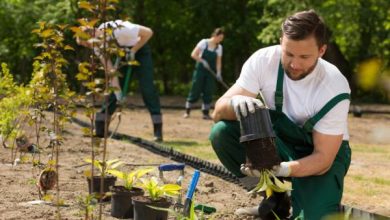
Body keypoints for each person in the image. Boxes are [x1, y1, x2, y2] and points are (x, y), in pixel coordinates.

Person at [209, 10, 351, 219]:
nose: (294, 64)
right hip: (281, 142)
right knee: (221, 134)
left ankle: (308, 199)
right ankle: (272, 197)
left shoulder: (334, 86)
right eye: (288, 53)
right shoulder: (263, 60)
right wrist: (236, 102)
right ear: (280, 43)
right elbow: (218, 113)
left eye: (304, 57)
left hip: (323, 154)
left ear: (321, 50)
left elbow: (323, 159)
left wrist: (283, 169)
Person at [76, 20, 163, 141]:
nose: (91, 46)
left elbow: (148, 32)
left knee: (147, 88)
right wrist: (118, 95)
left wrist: (133, 50)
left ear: (94, 33)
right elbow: (111, 71)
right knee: (113, 89)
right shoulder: (98, 46)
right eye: (87, 46)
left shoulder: (119, 28)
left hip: (140, 49)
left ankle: (157, 130)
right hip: (122, 52)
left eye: (88, 43)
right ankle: (101, 127)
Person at [183, 28, 224, 120]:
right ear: (215, 36)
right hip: (200, 70)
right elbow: (193, 54)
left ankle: (205, 113)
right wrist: (202, 61)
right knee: (195, 88)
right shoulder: (204, 43)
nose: (221, 40)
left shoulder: (219, 47)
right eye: (220, 37)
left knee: (208, 90)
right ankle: (187, 111)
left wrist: (218, 73)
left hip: (210, 72)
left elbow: (218, 62)